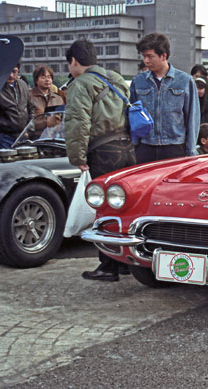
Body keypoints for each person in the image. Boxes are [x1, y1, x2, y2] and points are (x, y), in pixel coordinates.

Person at [63, 39, 136, 281]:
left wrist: (77, 157)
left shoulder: (80, 84)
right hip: (127, 148)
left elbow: (78, 123)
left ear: (74, 61)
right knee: (125, 206)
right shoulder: (115, 78)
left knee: (103, 208)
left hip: (103, 151)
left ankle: (108, 266)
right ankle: (126, 262)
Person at [129, 33, 200, 163]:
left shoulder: (184, 81)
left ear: (163, 56)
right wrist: (134, 145)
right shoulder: (138, 82)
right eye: (143, 56)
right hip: (145, 146)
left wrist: (191, 151)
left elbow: (192, 118)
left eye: (150, 56)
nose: (146, 61)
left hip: (175, 146)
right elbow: (132, 116)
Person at [0, 63, 35, 149]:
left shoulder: (23, 85)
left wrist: (29, 129)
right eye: (8, 72)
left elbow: (31, 109)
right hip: (2, 137)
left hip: (22, 136)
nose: (11, 75)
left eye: (14, 71)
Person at [29, 65, 64, 137]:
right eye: (43, 77)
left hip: (54, 138)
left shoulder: (58, 98)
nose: (47, 80)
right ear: (36, 80)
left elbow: (63, 119)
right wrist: (48, 122)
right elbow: (26, 121)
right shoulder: (29, 96)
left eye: (49, 77)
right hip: (35, 138)